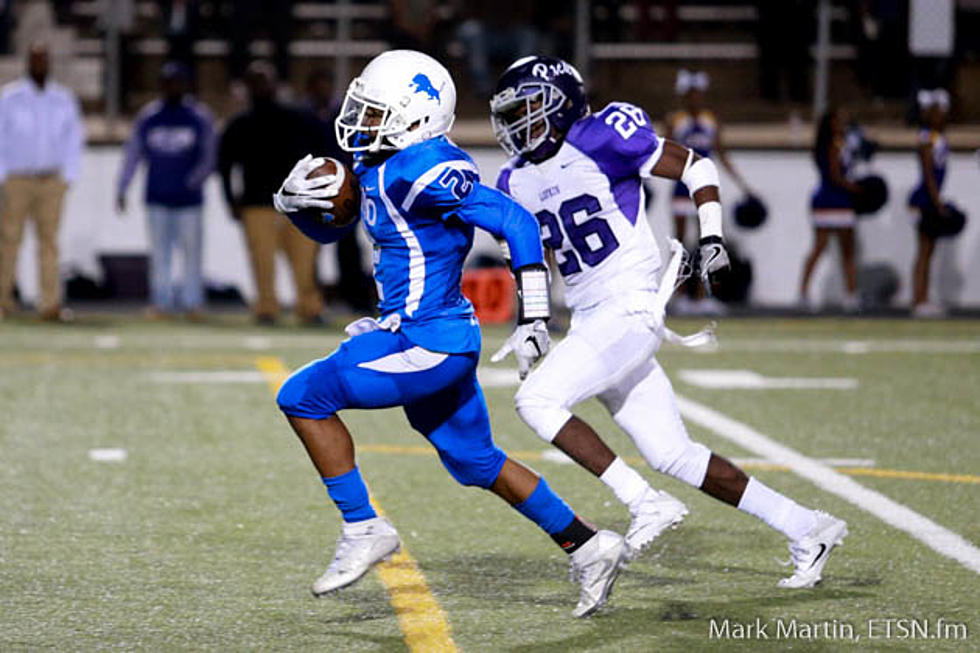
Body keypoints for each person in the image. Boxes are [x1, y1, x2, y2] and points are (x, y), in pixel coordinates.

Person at [270, 50, 626, 618]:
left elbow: (516, 220)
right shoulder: (384, 166)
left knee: (301, 397)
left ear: (415, 119)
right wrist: (301, 202)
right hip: (425, 332)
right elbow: (360, 228)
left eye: (373, 112)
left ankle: (364, 526)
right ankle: (589, 544)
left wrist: (534, 315)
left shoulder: (421, 168)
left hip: (430, 345)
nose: (358, 121)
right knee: (474, 461)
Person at [490, 56, 847, 588]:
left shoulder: (602, 136)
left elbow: (697, 166)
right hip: (592, 318)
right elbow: (529, 260)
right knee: (674, 454)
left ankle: (645, 503)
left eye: (526, 108)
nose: (516, 123)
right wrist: (532, 322)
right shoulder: (511, 179)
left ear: (560, 103)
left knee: (535, 400)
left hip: (630, 306)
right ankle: (809, 527)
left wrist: (713, 237)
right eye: (510, 113)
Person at [218, 61, 326, 325]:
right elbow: (224, 164)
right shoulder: (240, 124)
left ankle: (309, 308)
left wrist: (322, 195)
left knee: (304, 263)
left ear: (276, 83)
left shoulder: (299, 117)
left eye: (264, 80)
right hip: (257, 203)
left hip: (299, 203)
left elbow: (324, 155)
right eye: (254, 82)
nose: (260, 87)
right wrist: (230, 199)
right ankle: (266, 307)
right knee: (262, 263)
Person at [116, 62, 215, 320]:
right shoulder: (149, 116)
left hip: (189, 201)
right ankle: (161, 303)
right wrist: (122, 186)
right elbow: (133, 154)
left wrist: (191, 182)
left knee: (192, 255)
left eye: (178, 82)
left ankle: (193, 303)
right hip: (157, 197)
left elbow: (209, 156)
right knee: (160, 255)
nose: (174, 87)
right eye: (168, 82)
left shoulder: (198, 116)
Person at [0, 41, 84, 322]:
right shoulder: (10, 98)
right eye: (35, 59)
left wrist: (69, 176)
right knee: (9, 241)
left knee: (49, 242)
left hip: (51, 179)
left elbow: (73, 138)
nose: (40, 65)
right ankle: (3, 302)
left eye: (44, 59)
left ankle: (49, 304)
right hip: (17, 179)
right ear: (27, 62)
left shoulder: (63, 98)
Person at [666, 69, 753, 315]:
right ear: (684, 96)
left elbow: (721, 154)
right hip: (682, 188)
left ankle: (704, 295)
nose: (695, 99)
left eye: (698, 94)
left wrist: (742, 185)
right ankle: (679, 295)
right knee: (680, 243)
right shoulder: (676, 120)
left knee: (709, 241)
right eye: (690, 94)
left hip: (704, 189)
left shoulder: (711, 121)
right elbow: (665, 153)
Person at [302, 69, 373, 314]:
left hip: (345, 187)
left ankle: (355, 298)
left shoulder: (345, 115)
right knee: (310, 245)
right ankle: (314, 303)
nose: (321, 91)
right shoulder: (304, 115)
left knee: (349, 245)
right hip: (314, 187)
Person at [799, 108, 862, 312]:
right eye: (837, 121)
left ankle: (848, 294)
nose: (841, 124)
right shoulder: (832, 144)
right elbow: (835, 175)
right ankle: (807, 293)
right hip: (834, 199)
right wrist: (858, 188)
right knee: (832, 248)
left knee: (838, 248)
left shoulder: (841, 143)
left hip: (831, 199)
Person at [908, 89, 951, 318]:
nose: (940, 116)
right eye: (936, 112)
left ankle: (922, 298)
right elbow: (928, 173)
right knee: (924, 250)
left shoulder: (938, 136)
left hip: (929, 198)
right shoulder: (926, 137)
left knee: (928, 250)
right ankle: (919, 299)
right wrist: (937, 202)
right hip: (924, 199)